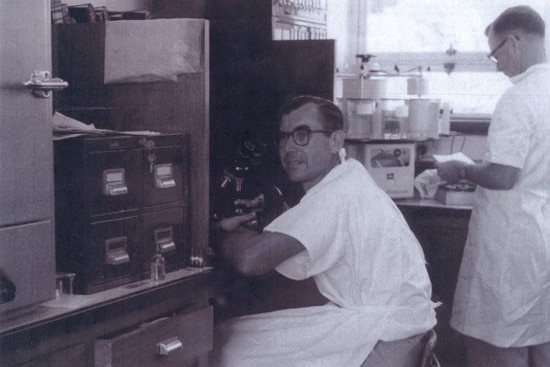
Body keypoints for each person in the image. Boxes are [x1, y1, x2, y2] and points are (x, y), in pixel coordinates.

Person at [212, 95, 437, 367]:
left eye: (302, 135)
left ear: (335, 141)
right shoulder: (350, 176)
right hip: (399, 327)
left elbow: (250, 260)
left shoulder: (337, 194)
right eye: (284, 138)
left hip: (384, 336)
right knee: (231, 335)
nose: (289, 148)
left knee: (226, 351)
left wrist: (218, 232)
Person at [436, 6, 550, 367]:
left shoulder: (519, 97)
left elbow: (503, 175)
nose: (497, 63)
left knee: (495, 345)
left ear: (513, 42)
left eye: (495, 53)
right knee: (539, 341)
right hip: (540, 236)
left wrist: (462, 169)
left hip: (510, 243)